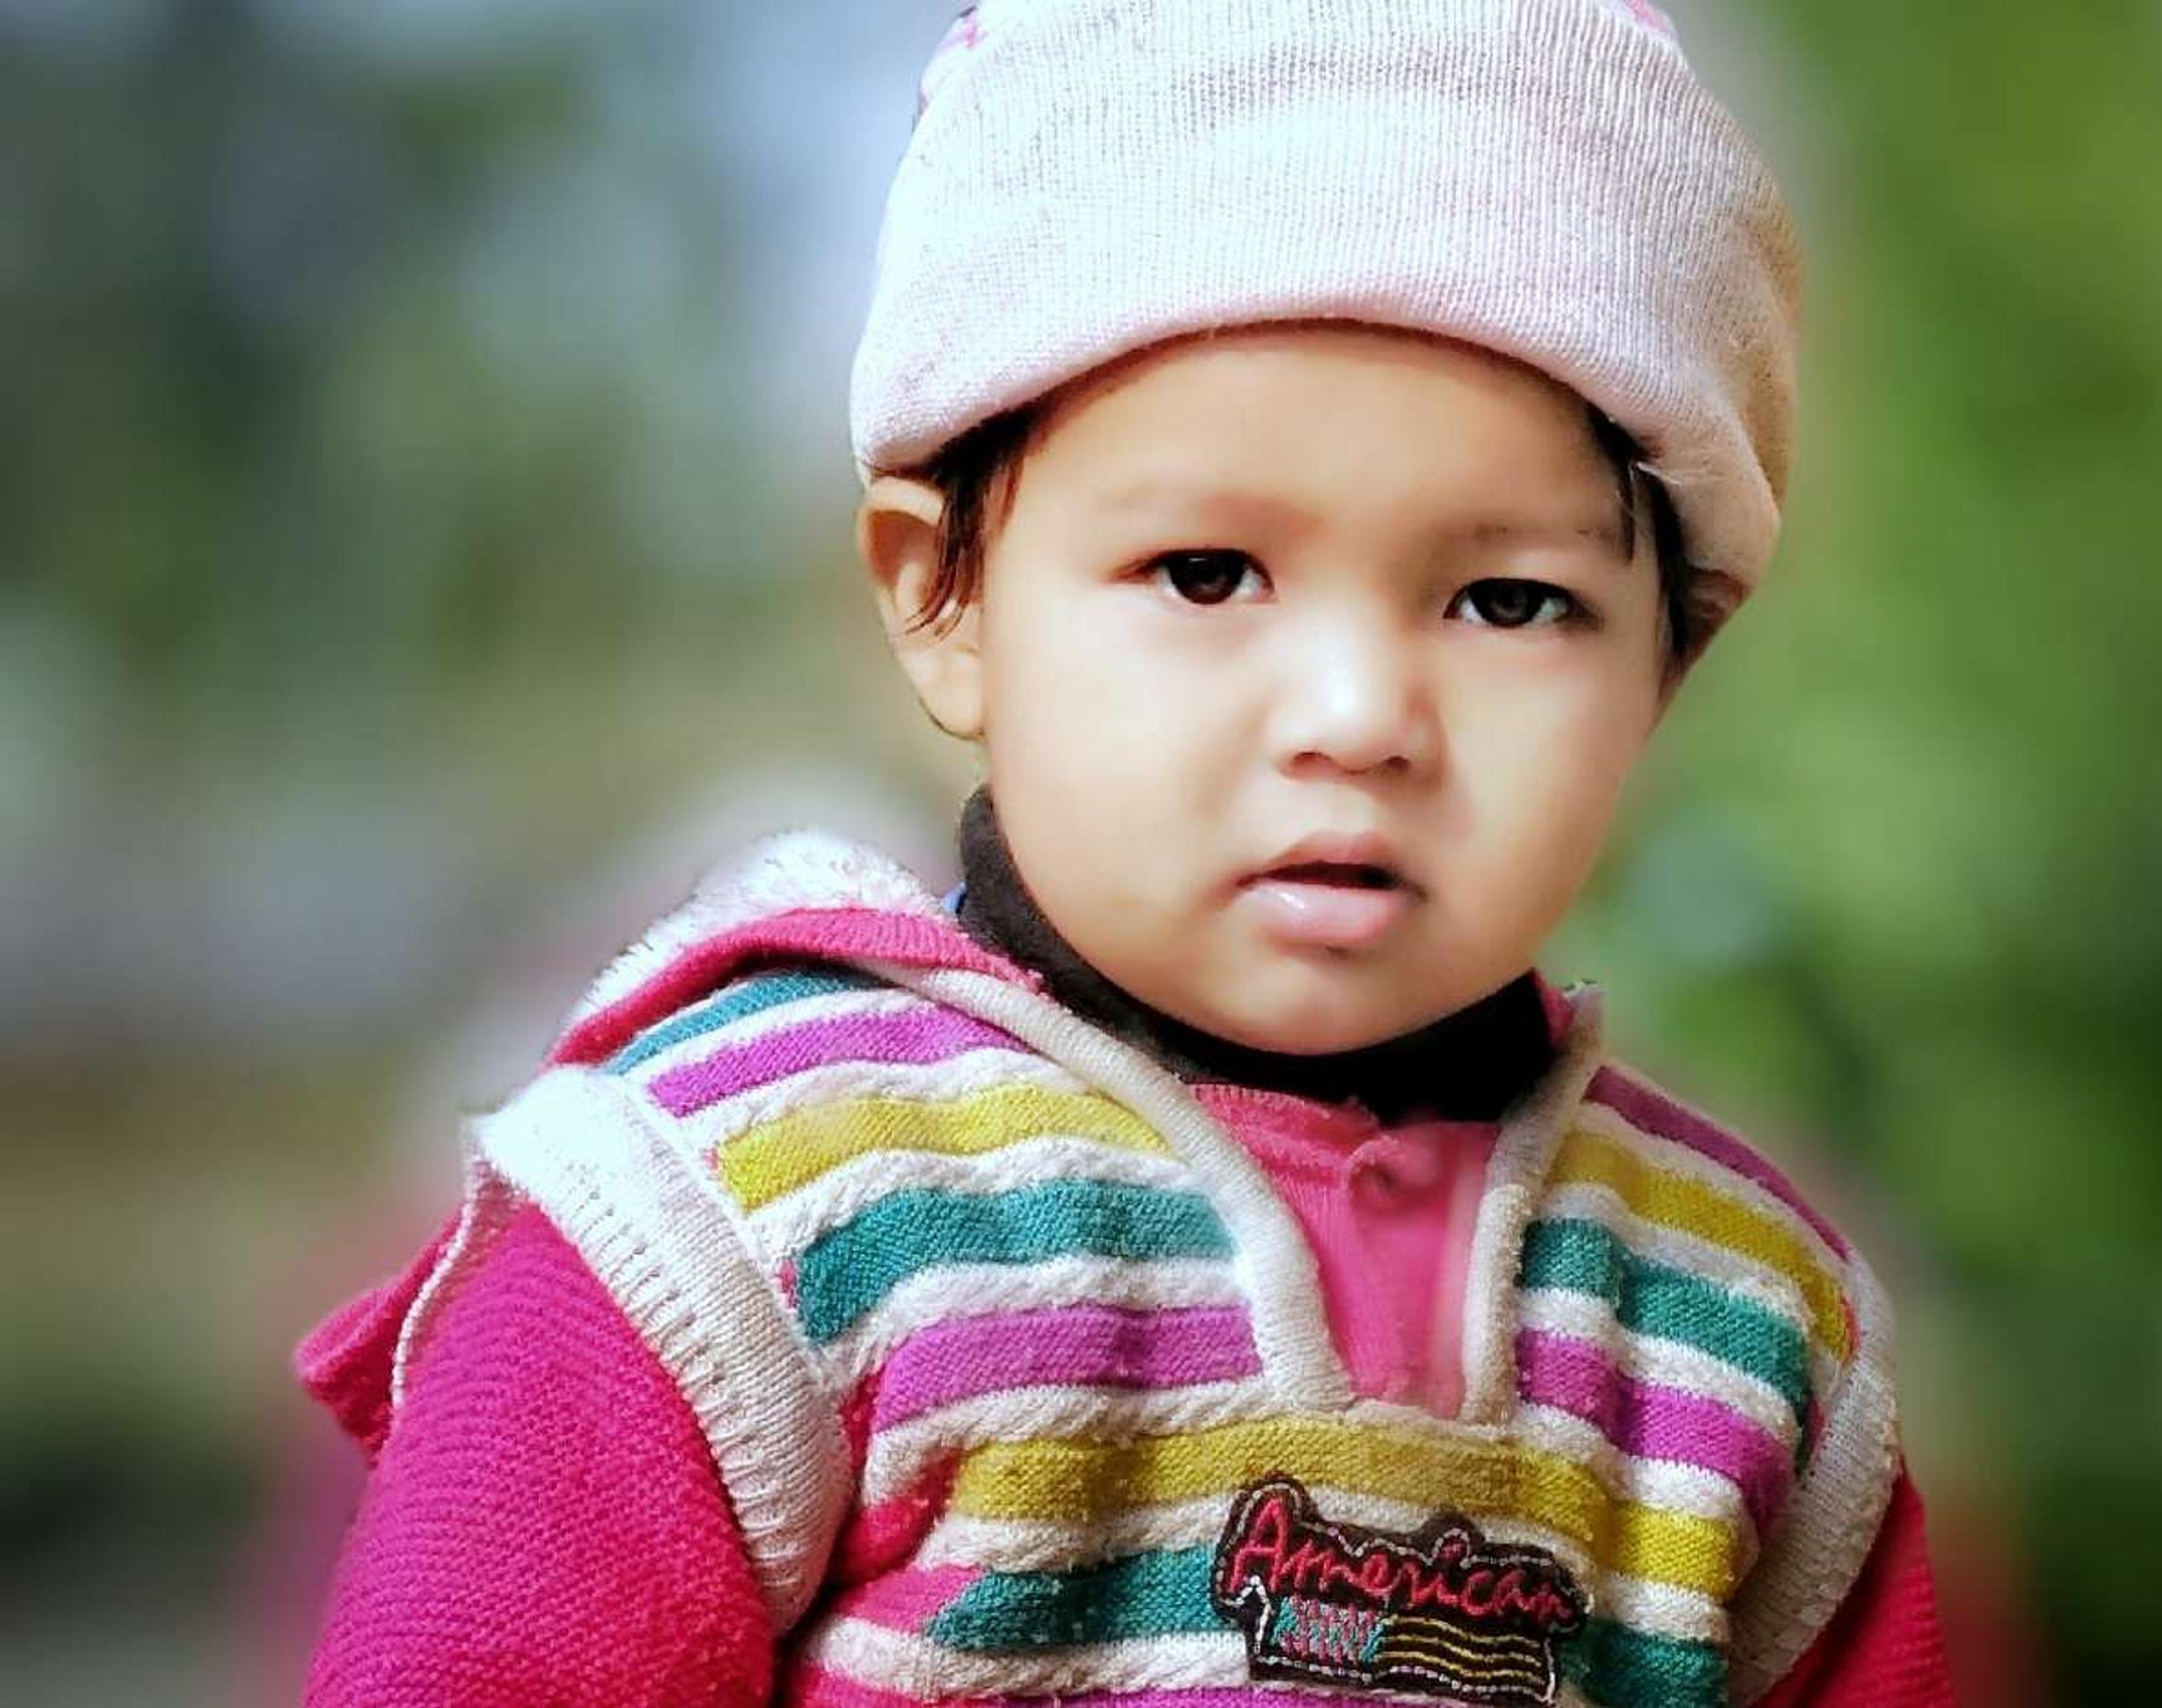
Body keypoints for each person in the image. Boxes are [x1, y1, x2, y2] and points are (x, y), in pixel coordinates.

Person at [297, 2, 1958, 1703]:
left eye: (1510, 600)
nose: (1357, 711)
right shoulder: (748, 1222)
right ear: (941, 597)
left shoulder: (1743, 1337)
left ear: (1666, 669)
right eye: (1208, 572)